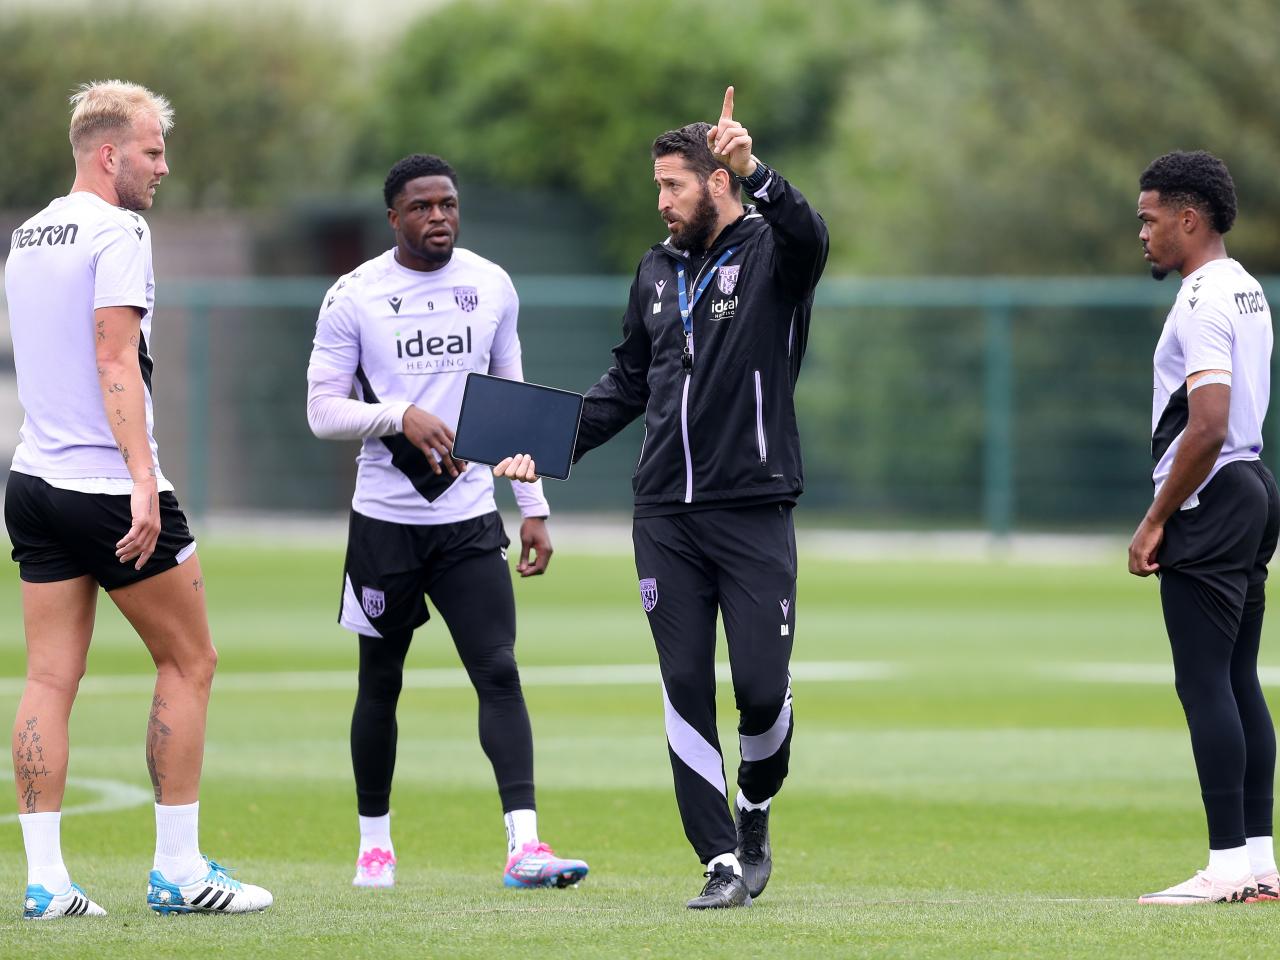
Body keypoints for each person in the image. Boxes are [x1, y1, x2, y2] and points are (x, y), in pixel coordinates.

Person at [498, 86, 828, 908]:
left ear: (717, 183)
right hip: (664, 520)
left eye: (674, 186)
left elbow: (811, 239)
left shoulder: (768, 254)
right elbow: (627, 384)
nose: (662, 201)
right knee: (684, 683)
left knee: (757, 690)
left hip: (752, 507)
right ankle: (720, 861)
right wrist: (545, 448)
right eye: (658, 187)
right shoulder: (654, 269)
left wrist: (763, 174)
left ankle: (754, 807)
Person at [4, 80, 272, 919]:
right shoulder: (119, 229)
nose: (164, 166)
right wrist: (141, 479)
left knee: (48, 676)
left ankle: (45, 884)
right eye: (153, 151)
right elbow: (114, 358)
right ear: (110, 153)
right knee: (190, 661)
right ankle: (180, 871)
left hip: (31, 480)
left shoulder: (26, 234)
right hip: (102, 483)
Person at [306, 153, 588, 891]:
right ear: (393, 216)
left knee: (498, 671)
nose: (440, 217)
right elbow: (321, 410)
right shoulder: (354, 295)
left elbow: (512, 394)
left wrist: (533, 508)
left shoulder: (490, 283)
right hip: (385, 523)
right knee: (381, 680)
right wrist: (399, 413)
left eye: (450, 204)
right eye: (423, 207)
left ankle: (525, 847)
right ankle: (375, 846)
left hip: (469, 522)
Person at [1129, 150, 1279, 905]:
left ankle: (1226, 867)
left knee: (1203, 681)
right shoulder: (1247, 287)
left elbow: (1208, 424)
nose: (1144, 235)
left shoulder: (1199, 300)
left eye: (1151, 220)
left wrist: (1155, 519)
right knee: (1237, 676)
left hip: (1212, 497)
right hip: (1254, 489)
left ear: (1190, 218)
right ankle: (1257, 862)